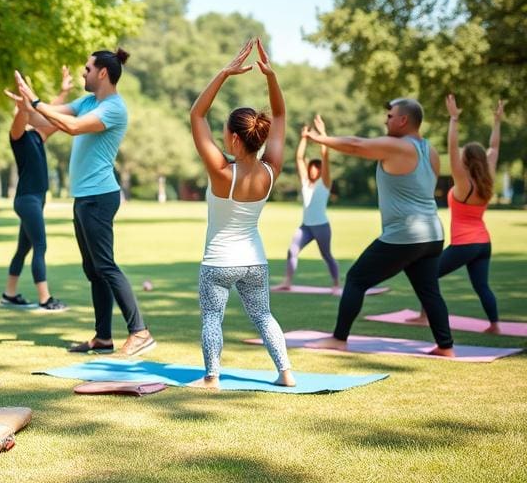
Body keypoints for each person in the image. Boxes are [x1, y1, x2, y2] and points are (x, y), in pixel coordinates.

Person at [11, 49, 155, 357]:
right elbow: (43, 117)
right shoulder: (88, 102)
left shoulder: (114, 108)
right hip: (84, 197)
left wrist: (36, 101)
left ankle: (140, 331)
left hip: (100, 197)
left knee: (106, 265)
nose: (83, 73)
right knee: (93, 269)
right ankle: (103, 337)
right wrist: (26, 103)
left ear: (102, 73)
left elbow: (72, 127)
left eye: (87, 69)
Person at [303, 98, 455, 356]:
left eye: (390, 115)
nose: (386, 120)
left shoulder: (398, 146)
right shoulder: (429, 150)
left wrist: (320, 139)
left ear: (403, 120)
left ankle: (339, 339)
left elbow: (355, 145)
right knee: (429, 291)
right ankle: (445, 346)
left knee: (356, 279)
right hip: (432, 234)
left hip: (405, 234)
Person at [188, 39, 294, 390]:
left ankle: (212, 377)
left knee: (212, 318)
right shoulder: (270, 170)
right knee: (264, 316)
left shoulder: (221, 172)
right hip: (255, 262)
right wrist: (271, 78)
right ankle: (286, 373)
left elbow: (196, 115)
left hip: (218, 263)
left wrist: (224, 73)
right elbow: (279, 116)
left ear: (234, 139)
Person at [411, 96, 504, 334]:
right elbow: (494, 148)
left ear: (467, 160)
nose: (458, 154)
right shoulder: (487, 179)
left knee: (427, 275)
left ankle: (424, 317)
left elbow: (452, 148)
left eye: (463, 154)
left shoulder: (464, 183)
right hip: (483, 243)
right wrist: (497, 121)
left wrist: (454, 119)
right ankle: (495, 325)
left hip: (465, 243)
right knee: (482, 286)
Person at [0, 66, 72, 312]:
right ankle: (45, 298)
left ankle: (9, 294)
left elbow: (51, 116)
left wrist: (62, 93)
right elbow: (24, 116)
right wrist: (23, 106)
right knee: (40, 245)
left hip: (35, 200)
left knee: (24, 248)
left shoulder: (38, 135)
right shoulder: (17, 136)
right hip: (27, 199)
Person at [273, 115, 339, 292]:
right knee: (292, 250)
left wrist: (322, 135)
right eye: (312, 166)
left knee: (326, 255)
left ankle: (336, 285)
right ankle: (287, 282)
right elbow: (299, 158)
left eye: (316, 167)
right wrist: (303, 138)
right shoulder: (305, 182)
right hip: (306, 227)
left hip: (321, 226)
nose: (312, 169)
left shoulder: (324, 183)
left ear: (321, 170)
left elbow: (325, 156)